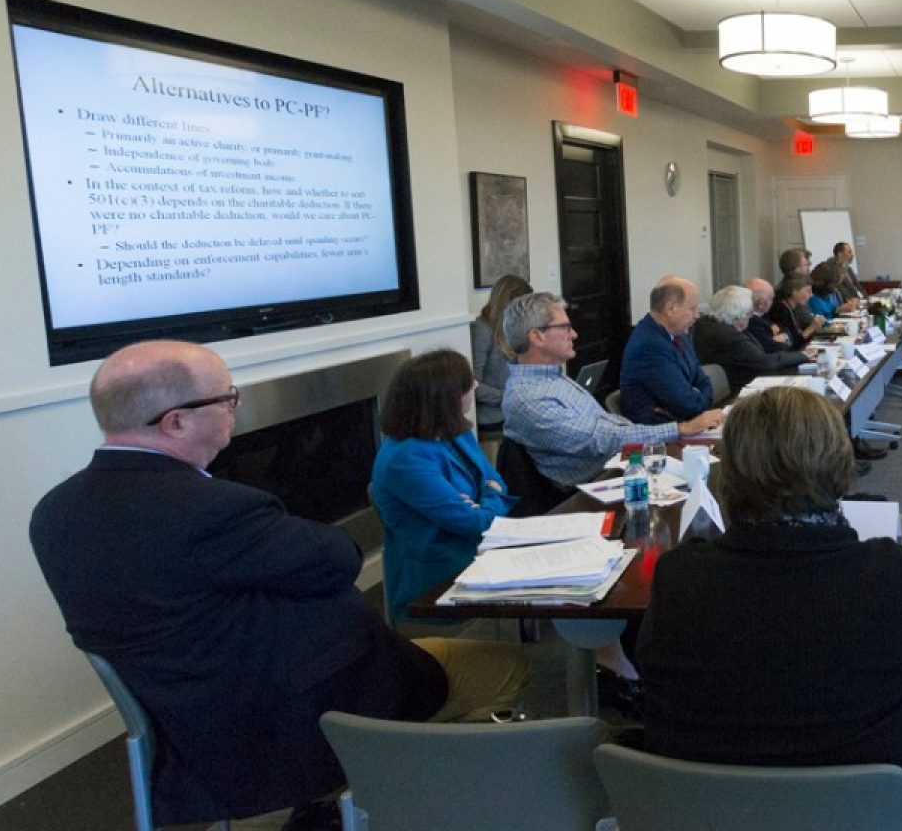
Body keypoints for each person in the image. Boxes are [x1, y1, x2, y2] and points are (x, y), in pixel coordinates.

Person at [31, 341, 533, 831]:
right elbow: (338, 558)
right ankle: (402, 786)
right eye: (226, 398)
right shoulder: (214, 508)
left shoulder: (54, 512)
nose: (234, 409)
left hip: (181, 724)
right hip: (288, 722)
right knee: (504, 667)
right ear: (175, 421)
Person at [636, 387, 902, 831]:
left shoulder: (679, 580)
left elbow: (647, 662)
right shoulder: (890, 575)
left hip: (712, 810)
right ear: (841, 471)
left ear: (729, 473)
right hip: (868, 811)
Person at [502, 292, 720, 487]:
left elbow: (605, 426)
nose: (574, 334)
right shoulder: (526, 397)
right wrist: (680, 429)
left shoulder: (552, 377)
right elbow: (598, 439)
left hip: (616, 468)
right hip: (590, 490)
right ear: (537, 336)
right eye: (565, 327)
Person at [370, 349, 515, 624]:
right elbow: (477, 521)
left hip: (479, 552)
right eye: (467, 383)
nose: (474, 386)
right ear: (445, 398)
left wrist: (485, 499)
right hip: (438, 578)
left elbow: (498, 483)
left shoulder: (454, 432)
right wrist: (489, 496)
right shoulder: (404, 459)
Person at [619, 276, 715, 423]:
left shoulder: (679, 334)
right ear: (671, 308)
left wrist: (694, 395)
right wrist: (694, 395)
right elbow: (688, 406)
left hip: (685, 424)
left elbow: (703, 381)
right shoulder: (649, 345)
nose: (697, 315)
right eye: (693, 308)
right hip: (659, 439)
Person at [694, 284, 808, 393]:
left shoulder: (709, 324)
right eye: (749, 314)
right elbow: (764, 362)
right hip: (737, 391)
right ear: (739, 316)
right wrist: (803, 355)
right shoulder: (728, 335)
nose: (750, 317)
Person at [469, 273, 531, 440]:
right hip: (492, 417)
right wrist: (507, 396)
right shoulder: (482, 330)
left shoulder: (510, 329)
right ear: (508, 303)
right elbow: (473, 385)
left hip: (511, 411)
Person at [744, 277, 800, 354]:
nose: (772, 302)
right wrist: (778, 340)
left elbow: (785, 330)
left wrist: (784, 337)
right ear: (761, 303)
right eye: (771, 299)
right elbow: (773, 349)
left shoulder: (763, 315)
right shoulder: (751, 321)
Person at [769, 272, 826, 345]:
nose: (811, 295)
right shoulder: (781, 310)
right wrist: (812, 327)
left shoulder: (794, 307)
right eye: (808, 291)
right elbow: (793, 344)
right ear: (794, 292)